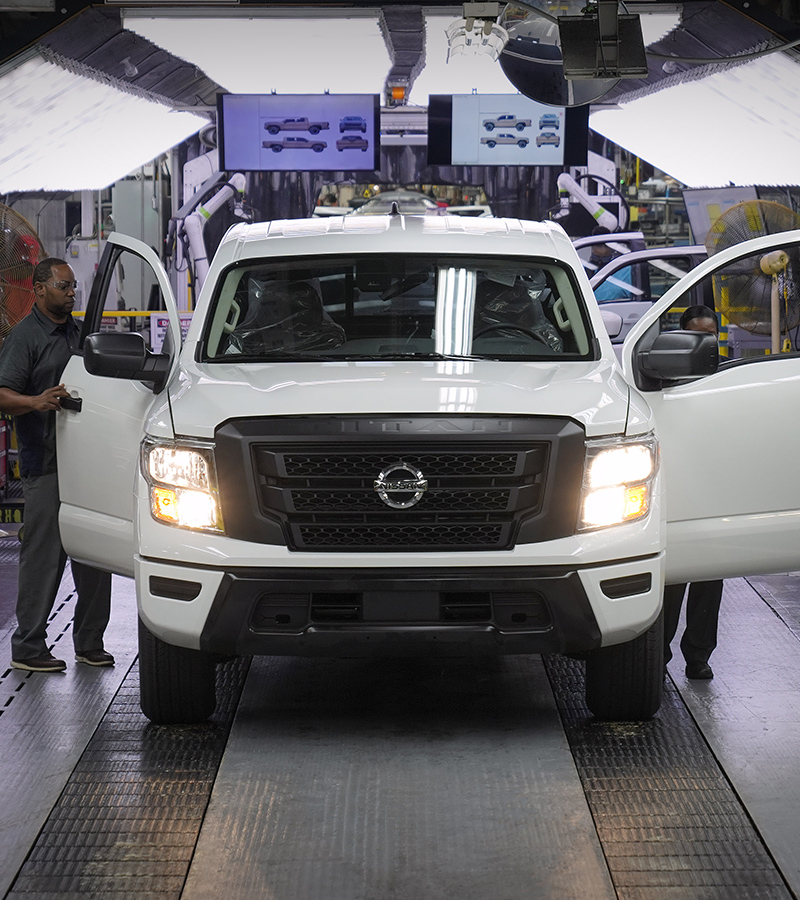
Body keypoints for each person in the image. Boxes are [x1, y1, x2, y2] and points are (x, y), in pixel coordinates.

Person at [0, 257, 113, 672]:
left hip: (84, 463)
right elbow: (2, 393)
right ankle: (28, 647)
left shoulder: (79, 333)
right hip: (45, 465)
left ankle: (89, 642)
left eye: (73, 288)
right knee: (43, 560)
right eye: (63, 287)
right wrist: (36, 401)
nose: (71, 293)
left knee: (94, 557)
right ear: (39, 289)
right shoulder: (26, 337)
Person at [663, 304, 722, 680]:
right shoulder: (668, 373)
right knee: (672, 575)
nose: (706, 339)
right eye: (697, 333)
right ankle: (658, 653)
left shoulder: (728, 371)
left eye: (711, 333)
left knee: (710, 576)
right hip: (678, 483)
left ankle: (698, 655)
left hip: (715, 486)